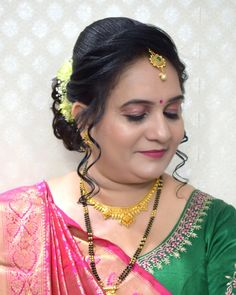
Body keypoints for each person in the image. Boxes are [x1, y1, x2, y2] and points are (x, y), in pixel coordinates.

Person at [0, 17, 235, 295]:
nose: (162, 132)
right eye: (136, 115)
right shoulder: (17, 223)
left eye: (172, 112)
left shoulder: (216, 228)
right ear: (84, 119)